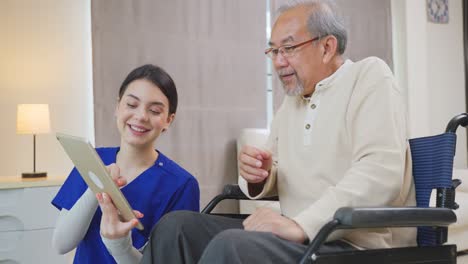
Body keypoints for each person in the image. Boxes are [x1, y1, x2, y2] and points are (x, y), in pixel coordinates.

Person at [102, 0, 417, 263]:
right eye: (273, 51)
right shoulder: (291, 103)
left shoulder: (369, 77)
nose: (278, 62)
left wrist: (298, 223)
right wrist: (259, 175)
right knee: (176, 227)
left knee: (232, 246)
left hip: (352, 244)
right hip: (302, 240)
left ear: (326, 47)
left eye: (288, 48)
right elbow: (271, 172)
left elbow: (380, 174)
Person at [51, 64, 200, 264]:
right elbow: (61, 244)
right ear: (117, 107)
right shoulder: (92, 160)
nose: (141, 116)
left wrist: (120, 246)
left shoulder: (181, 185)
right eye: (131, 105)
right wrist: (98, 187)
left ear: (168, 120)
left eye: (155, 110)